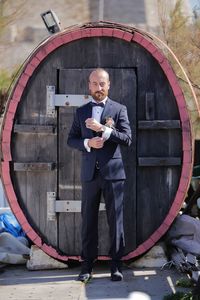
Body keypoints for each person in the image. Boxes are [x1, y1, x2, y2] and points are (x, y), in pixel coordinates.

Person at [67, 68, 132, 282]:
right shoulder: (81, 111)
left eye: (102, 83)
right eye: (95, 84)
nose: (99, 88)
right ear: (89, 86)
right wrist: (87, 143)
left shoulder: (119, 109)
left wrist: (104, 130)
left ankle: (116, 265)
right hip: (90, 174)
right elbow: (71, 139)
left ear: (109, 84)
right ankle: (87, 266)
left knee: (116, 221)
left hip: (114, 174)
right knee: (88, 221)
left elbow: (126, 138)